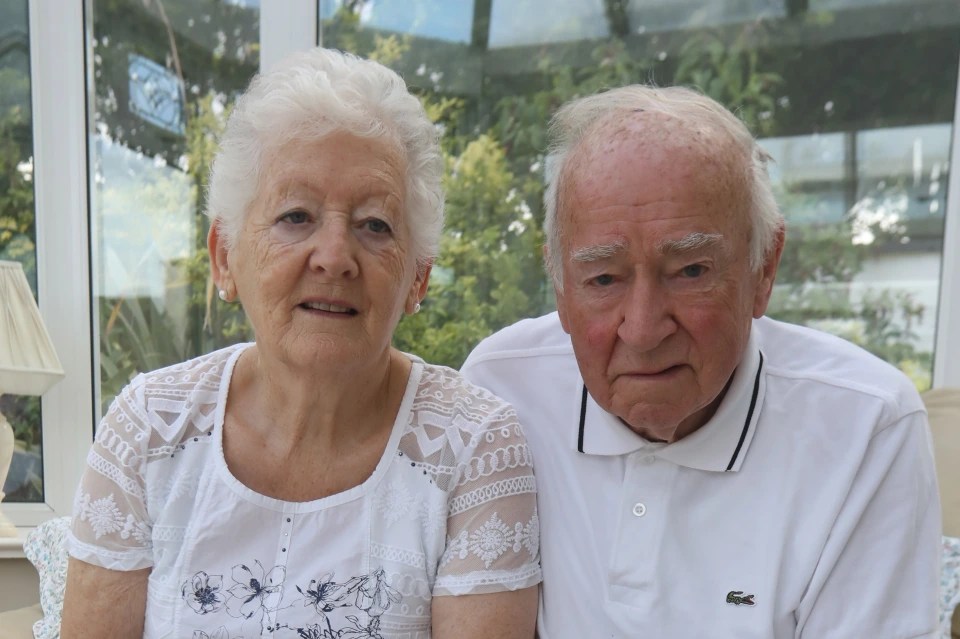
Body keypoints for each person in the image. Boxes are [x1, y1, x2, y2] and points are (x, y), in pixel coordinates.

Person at [62, 48, 540, 639]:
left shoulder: (473, 448)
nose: (335, 257)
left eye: (374, 225)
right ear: (225, 257)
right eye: (295, 216)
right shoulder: (149, 430)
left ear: (417, 277)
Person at [461, 85, 940, 637]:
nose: (642, 330)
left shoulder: (865, 428)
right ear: (561, 287)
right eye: (603, 278)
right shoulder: (499, 394)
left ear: (764, 269)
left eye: (691, 271)